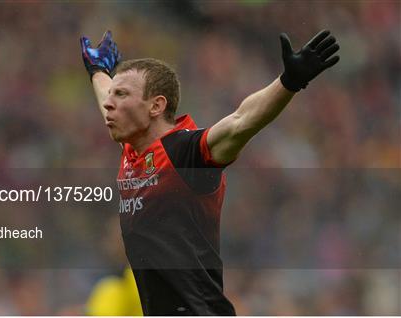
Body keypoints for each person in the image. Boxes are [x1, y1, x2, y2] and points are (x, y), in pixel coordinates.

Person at [80, 30, 339, 315]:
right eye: (112, 94)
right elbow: (109, 104)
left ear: (156, 105)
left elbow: (240, 122)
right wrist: (98, 71)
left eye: (122, 94)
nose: (109, 103)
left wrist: (288, 82)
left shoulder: (186, 152)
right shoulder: (133, 154)